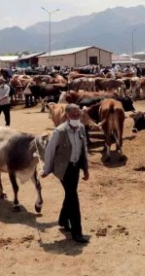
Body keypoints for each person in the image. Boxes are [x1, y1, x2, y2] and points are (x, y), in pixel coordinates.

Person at [41, 104, 90, 244]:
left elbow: (83, 149)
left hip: (75, 167)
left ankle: (63, 220)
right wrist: (46, 169)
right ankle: (77, 232)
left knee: (70, 194)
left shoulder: (81, 128)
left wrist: (85, 168)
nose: (76, 117)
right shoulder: (60, 131)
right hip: (63, 168)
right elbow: (50, 151)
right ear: (67, 115)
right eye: (73, 115)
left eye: (78, 114)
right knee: (73, 198)